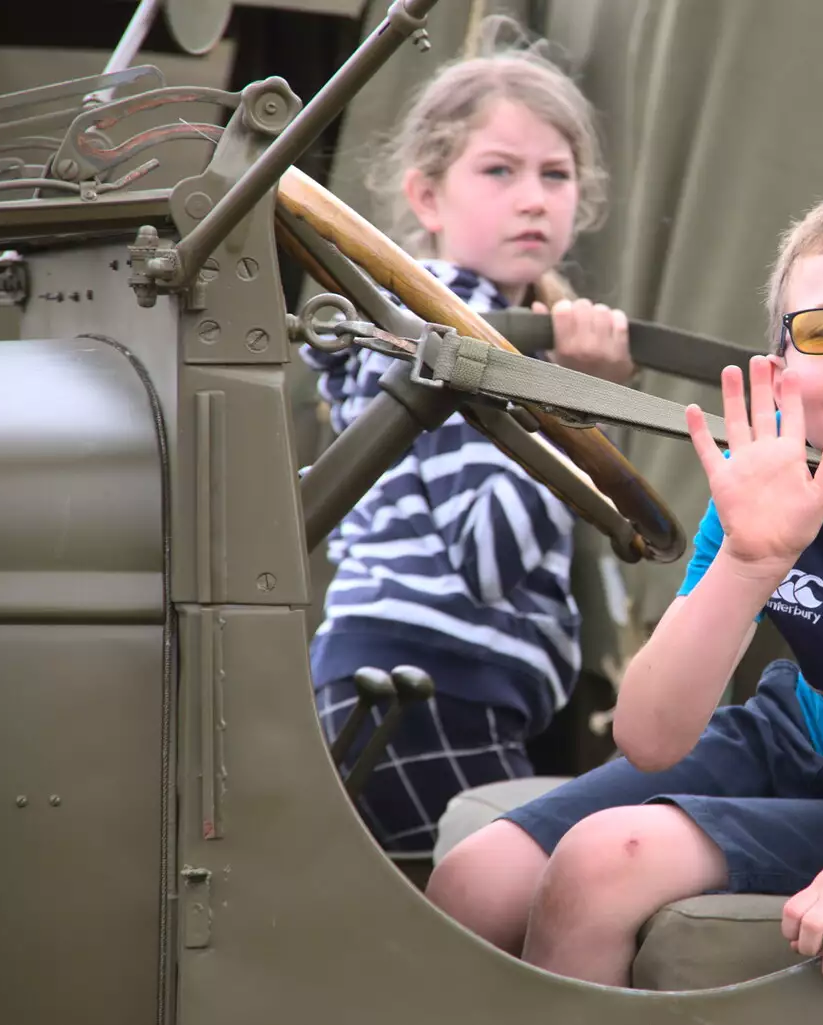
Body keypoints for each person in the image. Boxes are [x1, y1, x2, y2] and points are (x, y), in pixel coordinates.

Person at [425, 188, 823, 992]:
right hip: (798, 738)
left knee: (601, 863)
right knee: (472, 881)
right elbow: (651, 738)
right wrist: (749, 560)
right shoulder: (763, 501)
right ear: (781, 378)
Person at [302, 18, 635, 855]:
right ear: (426, 196)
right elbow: (491, 556)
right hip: (429, 686)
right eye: (499, 170)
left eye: (555, 174)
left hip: (395, 682)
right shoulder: (455, 332)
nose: (534, 196)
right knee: (533, 910)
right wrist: (580, 400)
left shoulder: (442, 323)